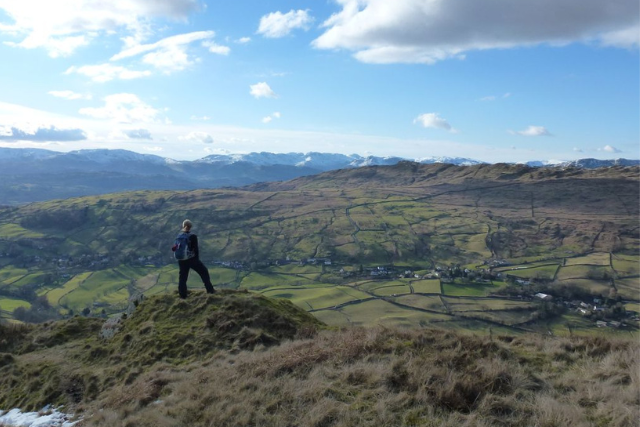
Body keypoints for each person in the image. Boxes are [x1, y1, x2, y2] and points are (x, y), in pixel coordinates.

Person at [172, 219, 215, 299]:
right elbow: (196, 249)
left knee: (182, 277)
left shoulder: (179, 236)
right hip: (191, 259)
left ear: (183, 225)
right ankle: (210, 291)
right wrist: (196, 260)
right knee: (204, 272)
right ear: (190, 227)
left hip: (181, 260)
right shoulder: (192, 236)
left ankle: (182, 295)